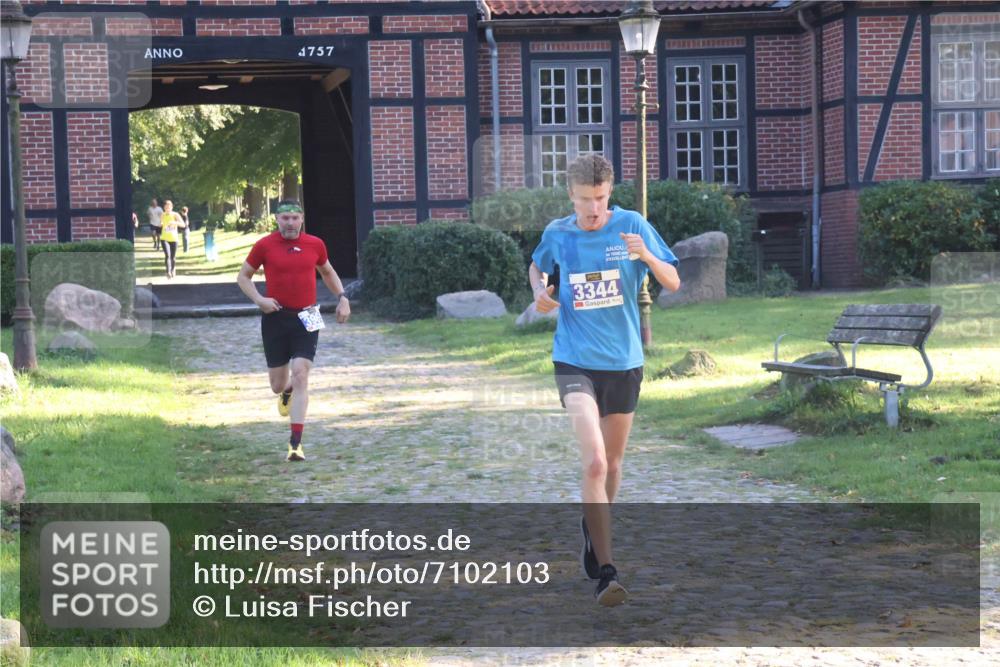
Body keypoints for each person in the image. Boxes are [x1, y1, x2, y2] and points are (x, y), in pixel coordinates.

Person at [529, 155, 680, 607]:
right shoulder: (559, 233)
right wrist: (539, 292)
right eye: (584, 200)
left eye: (599, 199)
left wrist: (646, 255)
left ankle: (592, 528)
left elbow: (673, 281)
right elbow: (537, 267)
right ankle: (607, 572)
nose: (592, 209)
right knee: (595, 462)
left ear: (609, 193)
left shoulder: (632, 225)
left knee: (612, 466)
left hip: (624, 362)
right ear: (570, 196)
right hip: (574, 360)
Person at [237, 199, 351, 462]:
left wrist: (342, 297)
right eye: (285, 218)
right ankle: (285, 390)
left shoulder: (315, 244)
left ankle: (295, 444)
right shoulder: (264, 245)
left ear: (302, 219)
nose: (290, 223)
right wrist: (260, 300)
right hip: (275, 317)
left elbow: (328, 272)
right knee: (277, 385)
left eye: (295, 218)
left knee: (301, 373)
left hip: (309, 315)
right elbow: (243, 277)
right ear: (277, 219)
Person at [159, 200, 185, 279]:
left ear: (171, 207)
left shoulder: (175, 214)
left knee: (173, 257)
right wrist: (161, 224)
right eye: (166, 207)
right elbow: (161, 223)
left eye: (169, 207)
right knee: (167, 255)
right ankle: (168, 272)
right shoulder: (162, 214)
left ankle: (173, 269)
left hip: (174, 239)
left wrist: (175, 223)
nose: (167, 208)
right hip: (164, 238)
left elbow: (183, 225)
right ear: (164, 208)